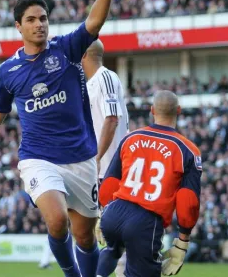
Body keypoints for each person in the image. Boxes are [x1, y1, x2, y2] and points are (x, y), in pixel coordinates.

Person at [0, 0, 120, 276]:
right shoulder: (9, 70)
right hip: (38, 158)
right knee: (58, 220)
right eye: (31, 20)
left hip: (81, 158)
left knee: (85, 236)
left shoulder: (67, 49)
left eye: (43, 18)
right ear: (18, 27)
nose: (39, 25)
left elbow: (94, 22)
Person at [96, 90, 202, 277]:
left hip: (113, 213)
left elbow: (110, 182)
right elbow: (188, 200)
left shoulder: (130, 138)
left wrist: (102, 213)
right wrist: (182, 242)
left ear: (152, 110)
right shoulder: (188, 150)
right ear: (178, 111)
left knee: (113, 250)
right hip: (145, 220)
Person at [82, 39, 128, 277]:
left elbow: (112, 119)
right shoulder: (88, 84)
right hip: (99, 172)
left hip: (112, 170)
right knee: (105, 238)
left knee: (113, 238)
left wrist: (97, 157)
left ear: (84, 56)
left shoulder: (105, 77)